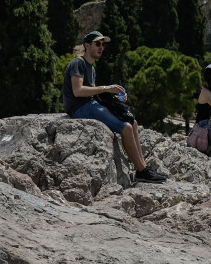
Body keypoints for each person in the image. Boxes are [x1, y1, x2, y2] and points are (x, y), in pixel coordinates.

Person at [62, 30, 166, 183]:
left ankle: (143, 167)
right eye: (97, 44)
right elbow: (78, 91)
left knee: (133, 122)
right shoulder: (78, 63)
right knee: (126, 127)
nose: (101, 47)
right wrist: (106, 88)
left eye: (103, 45)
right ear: (87, 45)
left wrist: (113, 99)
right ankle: (142, 171)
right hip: (80, 108)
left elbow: (92, 92)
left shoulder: (91, 68)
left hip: (90, 104)